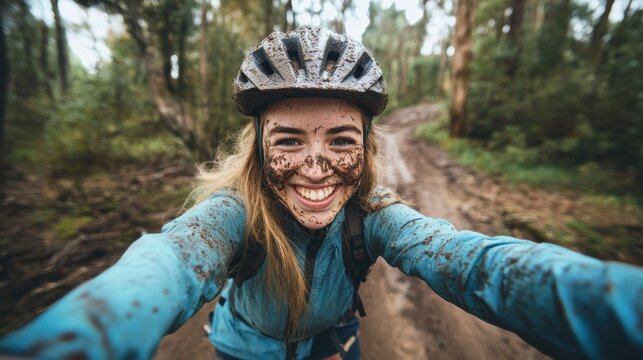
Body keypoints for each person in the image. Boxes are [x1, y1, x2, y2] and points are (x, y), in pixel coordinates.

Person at [1, 26, 642, 360]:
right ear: (259, 146)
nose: (315, 166)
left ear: (366, 148)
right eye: (288, 141)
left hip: (336, 347)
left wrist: (619, 309)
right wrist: (80, 339)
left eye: (341, 139)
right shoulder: (233, 218)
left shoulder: (376, 218)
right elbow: (161, 268)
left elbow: (476, 264)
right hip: (241, 351)